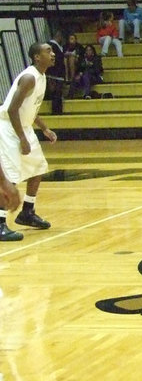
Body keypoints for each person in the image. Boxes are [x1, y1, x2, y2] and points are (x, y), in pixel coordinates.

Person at [0, 42, 58, 242]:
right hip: (9, 127)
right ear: (37, 57)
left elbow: (31, 109)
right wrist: (22, 139)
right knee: (10, 175)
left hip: (23, 126)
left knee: (38, 167)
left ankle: (27, 211)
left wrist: (44, 128)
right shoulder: (29, 77)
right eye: (48, 51)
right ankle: (0, 223)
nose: (53, 54)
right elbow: (12, 109)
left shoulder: (42, 76)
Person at [46, 29, 66, 115]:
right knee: (56, 94)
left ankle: (57, 112)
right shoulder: (52, 46)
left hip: (55, 75)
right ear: (59, 36)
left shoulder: (53, 46)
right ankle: (57, 112)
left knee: (57, 94)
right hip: (54, 75)